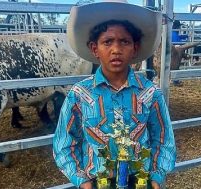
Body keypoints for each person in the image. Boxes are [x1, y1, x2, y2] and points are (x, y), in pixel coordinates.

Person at [53, 1, 176, 189]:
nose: (116, 49)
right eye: (107, 42)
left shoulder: (150, 93)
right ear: (95, 49)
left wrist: (157, 177)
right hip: (97, 183)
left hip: (141, 181)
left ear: (135, 48)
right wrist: (82, 180)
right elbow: (64, 142)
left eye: (124, 42)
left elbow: (163, 138)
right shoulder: (79, 95)